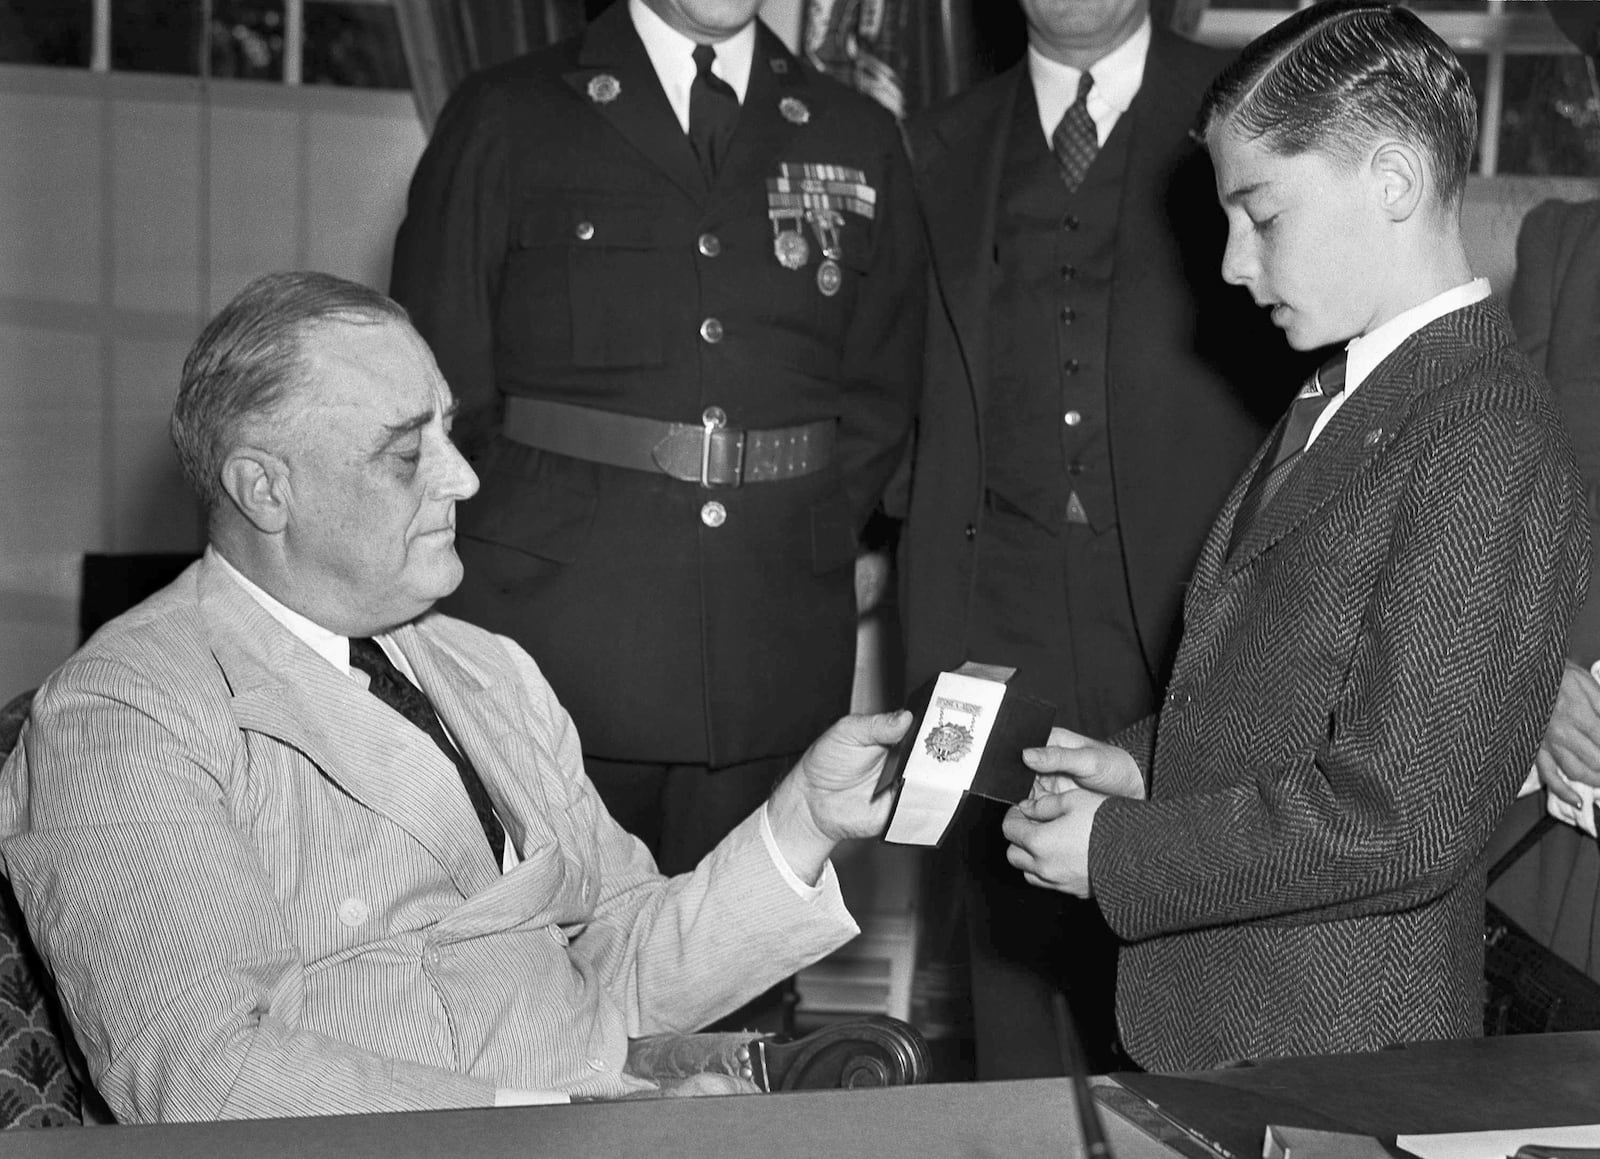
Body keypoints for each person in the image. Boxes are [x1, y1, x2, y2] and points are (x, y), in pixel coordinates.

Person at [0, 272, 912, 1123]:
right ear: (265, 487)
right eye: (408, 452)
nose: (464, 477)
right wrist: (577, 1126)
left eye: (448, 428)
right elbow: (204, 1074)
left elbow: (617, 973)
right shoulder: (125, 714)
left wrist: (803, 821)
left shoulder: (487, 667)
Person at [1001, 0, 1590, 1072]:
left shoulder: (1479, 434)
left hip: (1336, 1053)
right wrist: (1142, 766)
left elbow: (1400, 815)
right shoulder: (1349, 389)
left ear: (1395, 183)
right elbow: (1292, 686)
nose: (1231, 262)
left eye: (1261, 215)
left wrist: (1121, 853)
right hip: (1244, 1030)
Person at [388, 0, 924, 881]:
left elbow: (881, 389)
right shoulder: (508, 113)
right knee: (544, 978)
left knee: (740, 984)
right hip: (554, 642)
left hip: (772, 643)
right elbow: (435, 388)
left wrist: (799, 527)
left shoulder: (856, 131)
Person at [899, 0, 1306, 1076]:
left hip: (1196, 617)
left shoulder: (1259, 100)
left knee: (1197, 967)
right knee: (1012, 967)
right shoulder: (931, 137)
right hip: (995, 609)